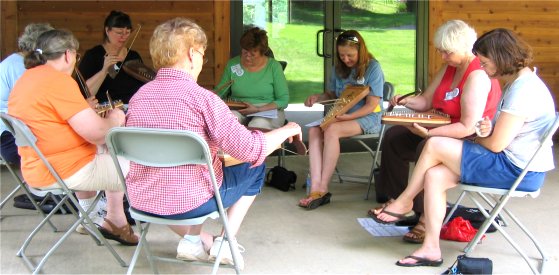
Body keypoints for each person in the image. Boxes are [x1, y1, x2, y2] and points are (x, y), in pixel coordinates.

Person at [125, 17, 302, 270]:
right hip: (190, 202)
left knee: (198, 171)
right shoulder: (202, 100)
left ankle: (192, 242)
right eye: (203, 55)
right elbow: (251, 150)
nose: (201, 61)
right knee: (257, 165)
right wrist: (287, 130)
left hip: (142, 200)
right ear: (191, 54)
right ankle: (224, 242)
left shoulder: (139, 98)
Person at [372, 28, 556, 267]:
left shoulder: (523, 90)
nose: (482, 65)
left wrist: (476, 138)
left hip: (517, 171)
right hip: (512, 163)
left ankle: (405, 200)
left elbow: (497, 145)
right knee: (435, 175)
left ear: (502, 58)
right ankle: (430, 248)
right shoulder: (519, 82)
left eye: (485, 61)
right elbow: (505, 133)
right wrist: (489, 127)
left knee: (435, 143)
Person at [370, 20, 502, 242]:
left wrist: (430, 134)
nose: (443, 57)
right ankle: (400, 200)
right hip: (440, 126)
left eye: (447, 52)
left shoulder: (477, 75)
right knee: (395, 138)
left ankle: (424, 218)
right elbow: (425, 101)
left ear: (464, 48)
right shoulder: (450, 66)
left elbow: (468, 127)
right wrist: (405, 101)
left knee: (425, 147)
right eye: (440, 51)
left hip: (467, 137)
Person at [8, 29, 138, 246]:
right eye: (77, 57)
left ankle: (89, 217)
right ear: (68, 55)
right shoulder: (59, 82)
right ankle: (115, 219)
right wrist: (116, 118)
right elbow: (97, 134)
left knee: (100, 148)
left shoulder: (26, 79)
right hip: (64, 170)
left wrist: (84, 111)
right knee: (129, 159)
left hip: (36, 167)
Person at [298, 30, 384, 210]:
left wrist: (347, 117)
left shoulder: (373, 67)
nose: (346, 59)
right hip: (341, 116)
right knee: (314, 130)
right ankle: (315, 187)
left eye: (350, 55)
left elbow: (371, 105)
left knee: (332, 130)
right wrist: (317, 97)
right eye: (342, 55)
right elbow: (332, 95)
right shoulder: (338, 69)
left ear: (360, 50)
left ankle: (323, 187)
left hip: (367, 117)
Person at [216, 27, 289, 130]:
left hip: (267, 110)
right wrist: (210, 95)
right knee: (228, 121)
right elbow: (220, 92)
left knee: (258, 126)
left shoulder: (274, 67)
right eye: (245, 52)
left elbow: (283, 100)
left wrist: (258, 109)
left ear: (262, 52)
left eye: (252, 54)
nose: (247, 57)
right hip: (239, 108)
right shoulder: (233, 64)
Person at [1, 23, 54, 165]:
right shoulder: (21, 67)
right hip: (12, 140)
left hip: (13, 134)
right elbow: (39, 105)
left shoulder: (14, 61)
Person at [78, 10, 145, 104]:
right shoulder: (93, 55)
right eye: (119, 32)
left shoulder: (134, 56)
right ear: (107, 30)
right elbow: (84, 92)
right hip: (106, 109)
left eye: (127, 32)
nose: (124, 37)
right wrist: (104, 70)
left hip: (133, 108)